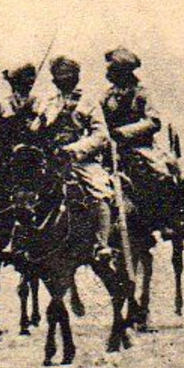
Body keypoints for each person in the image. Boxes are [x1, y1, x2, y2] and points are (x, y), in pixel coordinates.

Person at [36, 55, 117, 264]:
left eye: (68, 77)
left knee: (99, 189)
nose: (63, 81)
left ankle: (101, 244)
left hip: (80, 160)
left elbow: (101, 136)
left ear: (76, 78)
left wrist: (75, 150)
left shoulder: (88, 102)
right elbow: (38, 130)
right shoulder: (47, 102)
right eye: (59, 77)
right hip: (51, 158)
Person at [100, 46, 180, 238]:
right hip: (111, 149)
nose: (108, 73)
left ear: (123, 71)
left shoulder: (142, 93)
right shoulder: (107, 95)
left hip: (140, 147)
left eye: (112, 69)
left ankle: (165, 221)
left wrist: (124, 132)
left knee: (161, 174)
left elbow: (154, 121)